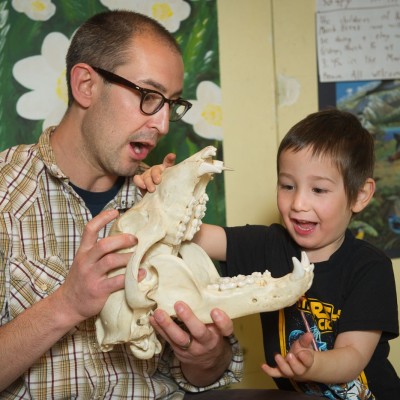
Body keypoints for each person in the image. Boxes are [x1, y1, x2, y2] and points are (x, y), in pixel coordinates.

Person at [0, 10, 243, 399]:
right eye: (149, 97)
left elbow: (206, 373)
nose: (163, 125)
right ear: (85, 85)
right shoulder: (5, 196)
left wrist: (206, 355)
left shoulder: (164, 199)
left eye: (172, 104)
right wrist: (67, 304)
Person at [139, 109, 400, 399]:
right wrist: (162, 193)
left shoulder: (370, 268)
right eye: (288, 186)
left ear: (360, 195)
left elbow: (352, 357)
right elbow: (190, 234)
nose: (298, 203)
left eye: (319, 189)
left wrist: (312, 363)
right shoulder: (268, 244)